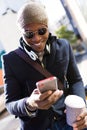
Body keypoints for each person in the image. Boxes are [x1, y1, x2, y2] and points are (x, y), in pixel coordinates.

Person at [2, 2, 87, 130]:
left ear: (47, 27)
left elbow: (76, 80)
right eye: (29, 34)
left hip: (68, 120)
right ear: (22, 32)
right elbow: (10, 104)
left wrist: (80, 108)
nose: (36, 39)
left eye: (42, 31)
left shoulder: (64, 46)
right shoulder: (10, 60)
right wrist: (30, 103)